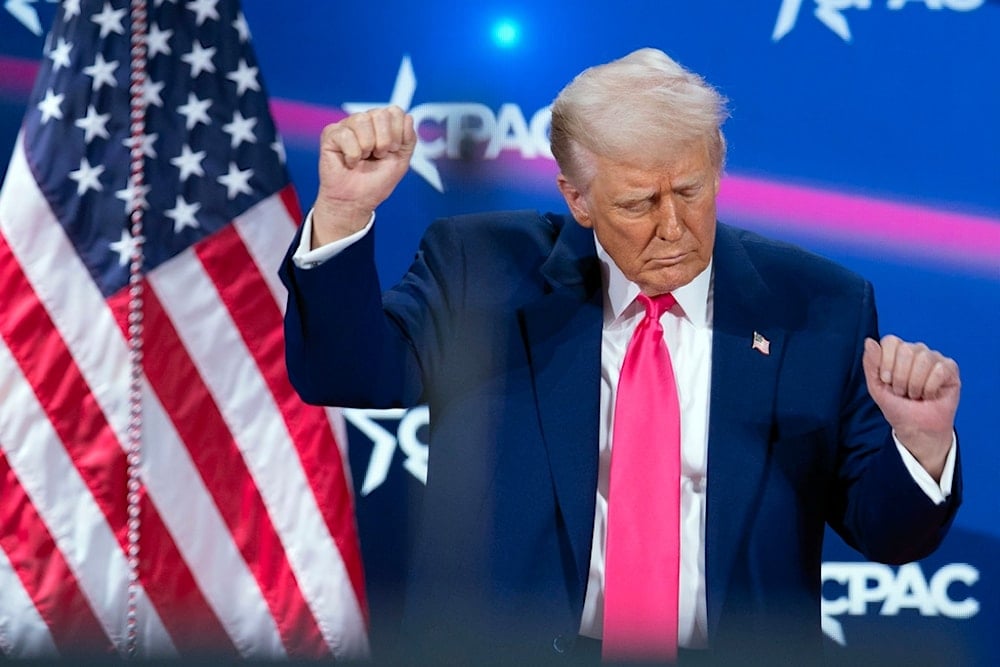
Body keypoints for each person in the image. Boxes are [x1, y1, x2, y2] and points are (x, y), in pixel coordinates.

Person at [279, 48, 961, 663]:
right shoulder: (481, 269)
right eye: (638, 203)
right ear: (577, 199)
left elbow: (891, 534)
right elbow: (347, 371)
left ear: (717, 159)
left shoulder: (819, 305)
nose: (673, 226)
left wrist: (922, 443)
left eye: (691, 191)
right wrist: (340, 214)